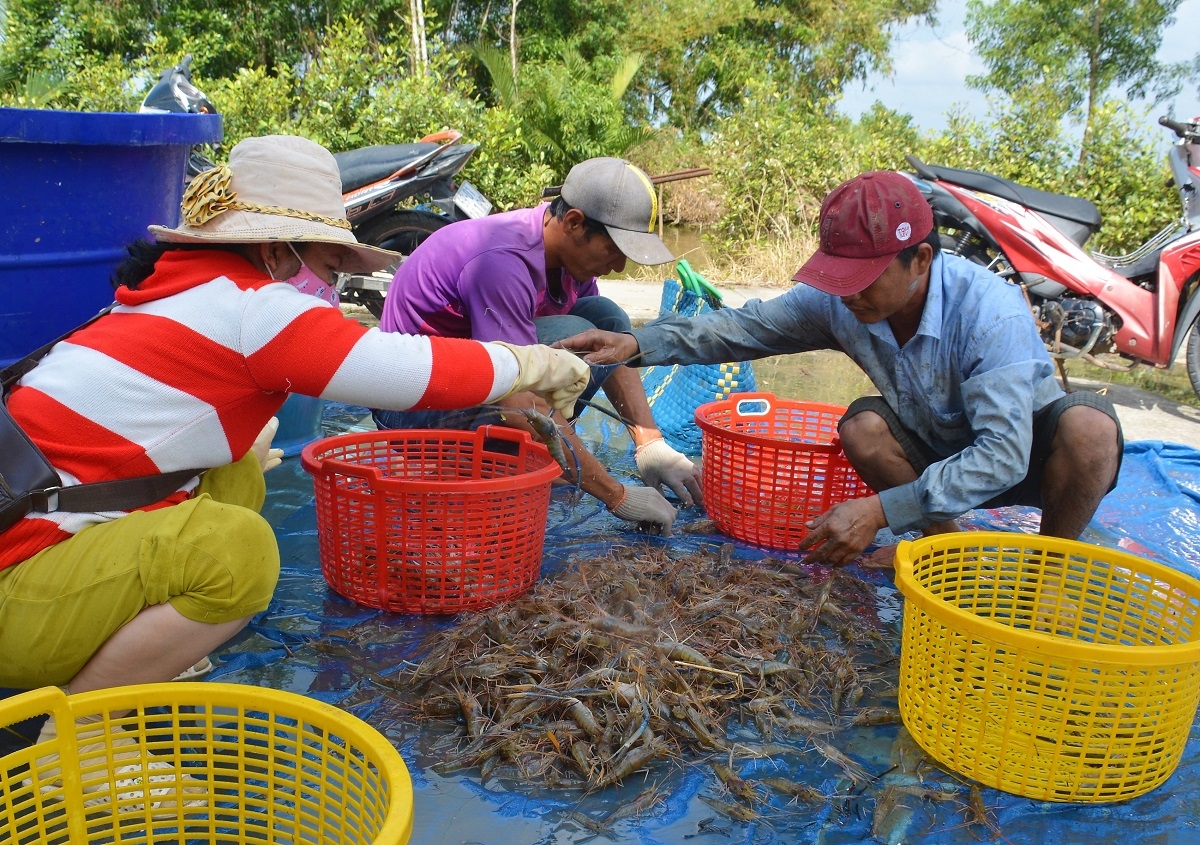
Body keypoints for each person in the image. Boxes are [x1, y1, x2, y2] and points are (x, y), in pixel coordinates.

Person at [0, 134, 588, 806]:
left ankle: (144, 648)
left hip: (34, 538)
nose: (333, 284)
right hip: (16, 589)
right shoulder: (256, 307)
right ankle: (73, 738)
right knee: (239, 553)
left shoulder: (170, 293)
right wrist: (534, 364)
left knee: (237, 475)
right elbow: (411, 370)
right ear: (279, 250)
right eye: (330, 264)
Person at [558, 170, 1124, 565]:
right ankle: (945, 553)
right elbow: (741, 328)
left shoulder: (989, 313)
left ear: (920, 260)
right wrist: (635, 345)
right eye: (838, 276)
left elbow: (1001, 454)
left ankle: (1054, 570)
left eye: (864, 279)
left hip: (1026, 456)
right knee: (863, 427)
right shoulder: (838, 301)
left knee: (1091, 431)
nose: (847, 295)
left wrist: (880, 510)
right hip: (935, 445)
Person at [374, 156, 701, 535]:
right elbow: (516, 399)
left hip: (472, 385)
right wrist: (616, 495)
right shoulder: (501, 261)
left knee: (606, 320)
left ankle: (592, 450)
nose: (618, 268)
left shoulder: (566, 259)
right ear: (575, 223)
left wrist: (651, 447)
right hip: (414, 413)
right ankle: (527, 456)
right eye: (613, 252)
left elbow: (603, 337)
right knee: (577, 329)